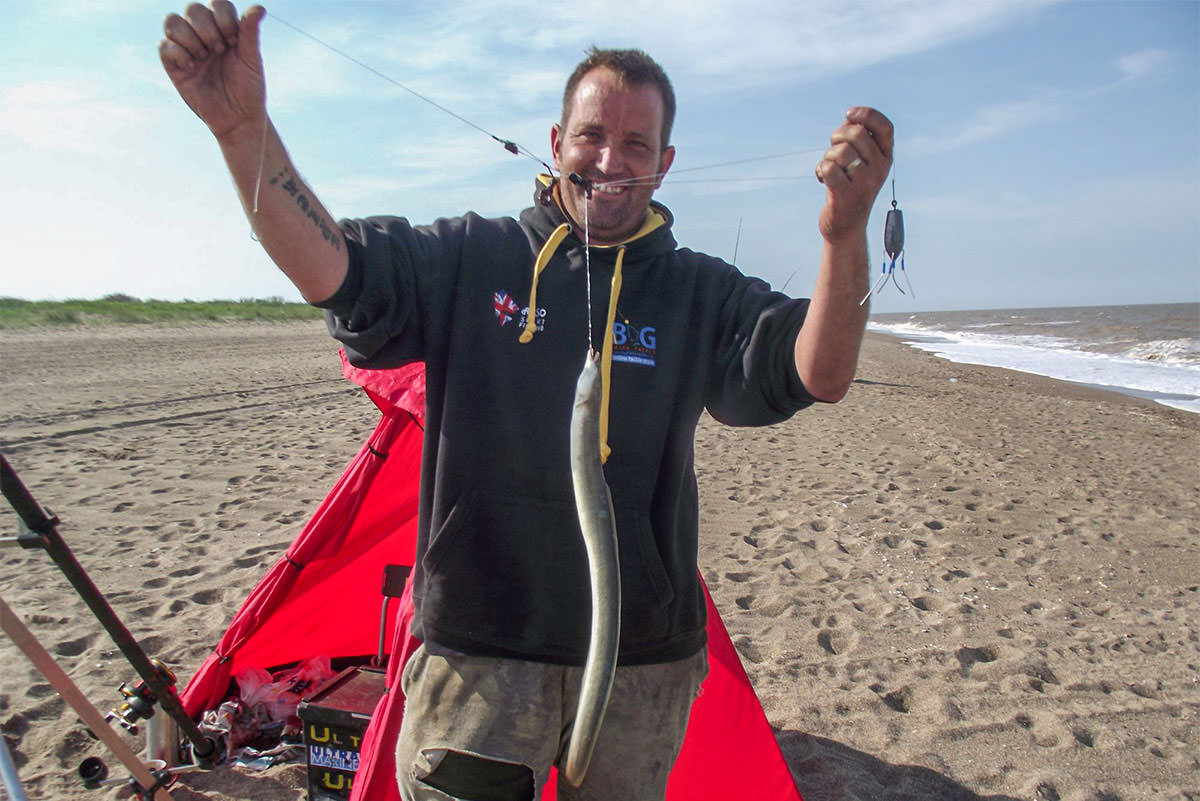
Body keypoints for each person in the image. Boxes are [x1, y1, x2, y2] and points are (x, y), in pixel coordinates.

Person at [160, 3, 893, 799]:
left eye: (635, 143)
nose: (611, 159)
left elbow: (818, 371)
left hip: (640, 664)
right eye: (591, 136)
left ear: (666, 160)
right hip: (477, 655)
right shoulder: (472, 257)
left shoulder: (698, 290)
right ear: (555, 143)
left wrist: (843, 235)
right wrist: (243, 133)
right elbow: (330, 269)